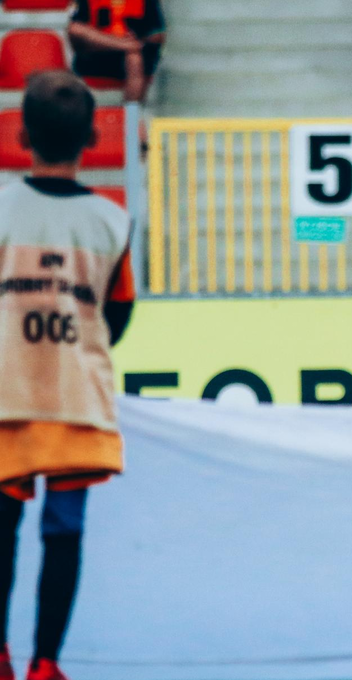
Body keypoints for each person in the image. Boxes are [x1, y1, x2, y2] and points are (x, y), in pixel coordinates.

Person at [0, 71, 135, 680]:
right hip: (77, 397)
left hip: (7, 391)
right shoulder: (112, 221)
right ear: (91, 139)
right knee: (63, 529)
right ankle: (46, 662)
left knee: (2, 527)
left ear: (22, 135)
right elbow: (119, 312)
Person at [68, 0, 166, 103]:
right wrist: (120, 43)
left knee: (134, 58)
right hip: (96, 50)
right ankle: (124, 44)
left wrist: (140, 38)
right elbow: (76, 29)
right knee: (76, 29)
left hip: (129, 54)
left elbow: (157, 34)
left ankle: (132, 111)